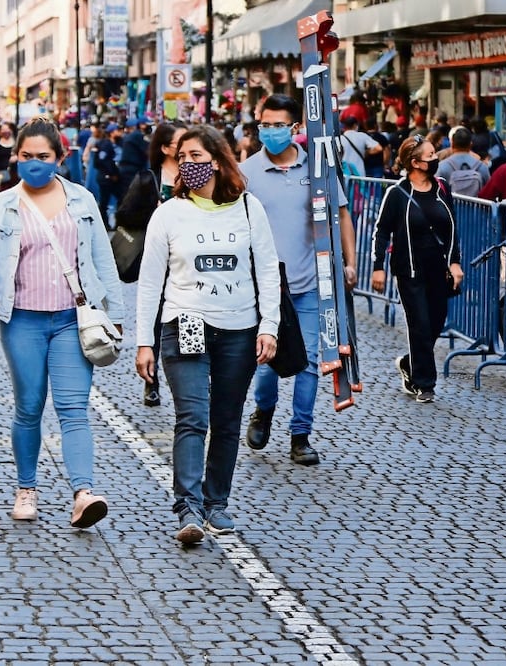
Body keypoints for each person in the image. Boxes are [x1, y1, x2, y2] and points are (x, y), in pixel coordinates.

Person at [0, 117, 124, 529]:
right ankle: (26, 488)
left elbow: (104, 260)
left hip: (74, 320)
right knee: (30, 406)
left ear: (60, 158)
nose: (34, 163)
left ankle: (83, 493)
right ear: (16, 157)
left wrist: (116, 316)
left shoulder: (83, 201)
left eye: (43, 157)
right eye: (26, 156)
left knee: (74, 408)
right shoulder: (0, 207)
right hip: (22, 322)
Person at [134, 125, 280, 544]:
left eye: (195, 156)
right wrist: (145, 341)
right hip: (187, 322)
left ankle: (217, 502)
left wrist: (268, 326)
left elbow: (268, 270)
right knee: (193, 416)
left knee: (227, 419)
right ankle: (188, 506)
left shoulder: (250, 209)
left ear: (217, 160)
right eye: (181, 158)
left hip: (238, 326)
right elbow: (150, 282)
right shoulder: (169, 212)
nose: (187, 165)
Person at [240, 93, 357, 466]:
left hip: (308, 282)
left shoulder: (317, 168)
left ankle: (300, 434)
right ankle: (264, 409)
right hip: (263, 285)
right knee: (266, 359)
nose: (270, 132)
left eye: (278, 125)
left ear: (295, 128)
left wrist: (349, 262)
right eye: (264, 125)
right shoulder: (248, 172)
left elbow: (341, 214)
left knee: (309, 361)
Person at [370, 134, 464, 404]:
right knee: (420, 324)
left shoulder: (442, 188)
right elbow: (381, 231)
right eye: (431, 156)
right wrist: (378, 267)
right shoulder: (397, 193)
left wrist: (454, 261)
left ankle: (410, 363)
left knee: (435, 323)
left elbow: (452, 228)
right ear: (415, 163)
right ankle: (425, 384)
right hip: (409, 269)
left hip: (440, 269)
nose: (436, 159)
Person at [115, 120, 188, 407]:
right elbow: (124, 216)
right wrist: (153, 215)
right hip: (158, 262)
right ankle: (152, 381)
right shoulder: (149, 179)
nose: (186, 148)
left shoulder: (195, 173)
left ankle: (187, 384)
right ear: (165, 148)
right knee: (156, 323)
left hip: (188, 262)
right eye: (180, 143)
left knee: (187, 321)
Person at [436, 127, 490, 197]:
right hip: (475, 207)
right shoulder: (482, 167)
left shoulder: (442, 167)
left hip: (451, 207)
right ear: (470, 145)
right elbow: (488, 192)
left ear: (452, 144)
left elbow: (436, 193)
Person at [92, 125, 120, 228]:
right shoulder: (106, 144)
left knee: (109, 200)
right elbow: (103, 161)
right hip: (106, 177)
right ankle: (104, 223)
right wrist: (111, 174)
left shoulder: (110, 144)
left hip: (107, 176)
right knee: (105, 201)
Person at [118, 117, 149, 196]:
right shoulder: (137, 135)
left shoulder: (130, 136)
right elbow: (148, 151)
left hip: (127, 169)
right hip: (132, 170)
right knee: (131, 194)